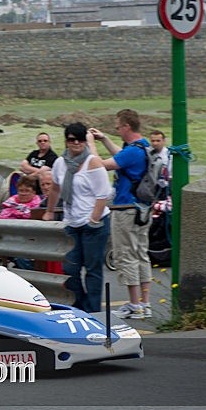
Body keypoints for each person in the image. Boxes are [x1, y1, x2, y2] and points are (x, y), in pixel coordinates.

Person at [88, 109, 152, 319]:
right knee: (141, 254)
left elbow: (101, 166)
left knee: (126, 255)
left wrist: (91, 143)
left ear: (126, 126)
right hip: (142, 208)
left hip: (126, 209)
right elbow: (120, 156)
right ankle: (145, 303)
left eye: (117, 127)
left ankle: (134, 305)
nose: (116, 130)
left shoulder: (132, 151)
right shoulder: (143, 147)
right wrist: (105, 139)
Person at [44, 123, 111, 313]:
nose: (76, 143)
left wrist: (94, 220)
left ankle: (93, 311)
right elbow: (56, 188)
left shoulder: (93, 162)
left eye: (80, 139)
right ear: (66, 141)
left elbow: (103, 195)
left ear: (85, 141)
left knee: (92, 270)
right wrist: (49, 211)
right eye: (72, 139)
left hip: (93, 224)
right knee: (70, 270)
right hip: (72, 223)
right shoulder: (60, 163)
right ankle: (80, 307)